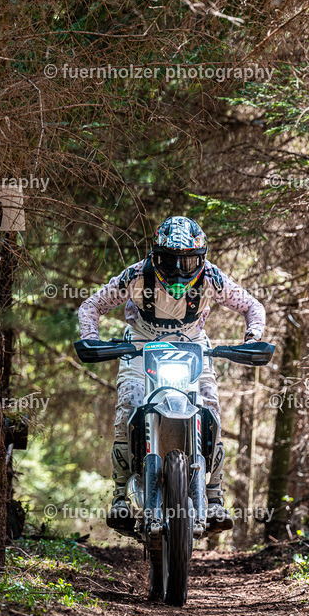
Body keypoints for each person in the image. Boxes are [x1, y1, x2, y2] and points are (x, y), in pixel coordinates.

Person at [78, 216, 266, 535]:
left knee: (212, 411)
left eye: (188, 261)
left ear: (202, 258)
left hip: (192, 344)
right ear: (155, 256)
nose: (179, 270)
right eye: (170, 260)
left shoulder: (211, 278)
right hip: (141, 343)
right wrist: (91, 337)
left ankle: (214, 495)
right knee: (128, 408)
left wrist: (253, 338)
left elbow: (253, 306)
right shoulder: (136, 275)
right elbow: (91, 306)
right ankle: (121, 496)